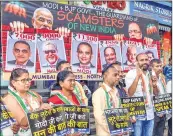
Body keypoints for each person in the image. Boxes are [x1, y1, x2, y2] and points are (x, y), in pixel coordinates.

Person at [1, 68, 51, 136]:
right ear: (14, 82)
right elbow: (23, 123)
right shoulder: (9, 98)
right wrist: (39, 110)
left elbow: (43, 106)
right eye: (23, 80)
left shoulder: (34, 94)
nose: (27, 83)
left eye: (28, 80)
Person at [125, 53, 156, 136]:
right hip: (137, 114)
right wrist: (138, 76)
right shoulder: (131, 73)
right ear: (137, 62)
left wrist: (155, 84)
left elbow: (155, 93)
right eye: (142, 60)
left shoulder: (150, 73)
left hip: (150, 113)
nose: (145, 62)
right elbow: (130, 93)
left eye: (146, 59)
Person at [92, 63, 121, 136]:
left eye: (118, 75)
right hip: (106, 133)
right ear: (105, 76)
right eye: (115, 75)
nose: (118, 77)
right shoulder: (99, 93)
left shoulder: (116, 91)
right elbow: (99, 117)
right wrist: (113, 130)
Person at [150, 59, 167, 136]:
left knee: (160, 133)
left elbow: (164, 92)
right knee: (153, 132)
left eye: (160, 66)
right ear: (152, 67)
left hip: (163, 108)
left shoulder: (162, 77)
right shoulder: (149, 77)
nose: (160, 68)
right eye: (157, 66)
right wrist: (154, 85)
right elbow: (155, 93)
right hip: (154, 110)